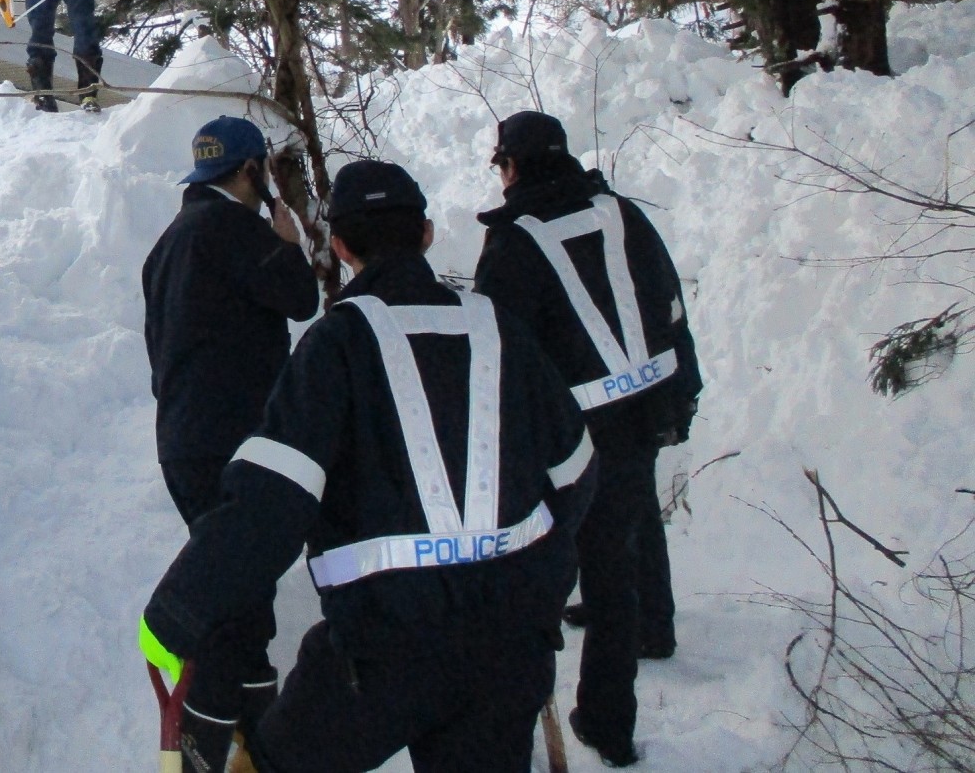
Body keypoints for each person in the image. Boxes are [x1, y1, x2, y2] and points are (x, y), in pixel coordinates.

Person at [139, 158, 597, 773]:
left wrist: (177, 611)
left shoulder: (336, 345)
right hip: (510, 647)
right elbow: (575, 474)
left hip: (380, 653)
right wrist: (532, 582)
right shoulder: (500, 329)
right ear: (427, 234)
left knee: (276, 760)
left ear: (344, 246)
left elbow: (271, 501)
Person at [473, 111, 703, 769]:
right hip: (645, 407)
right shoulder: (621, 212)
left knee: (587, 563)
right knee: (627, 524)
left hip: (574, 432)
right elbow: (668, 300)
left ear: (512, 167)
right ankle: (646, 642)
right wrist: (680, 388)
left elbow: (501, 353)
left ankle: (592, 720)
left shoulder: (515, 242)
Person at [142, 116, 320, 766]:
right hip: (235, 442)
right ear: (250, 172)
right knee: (233, 595)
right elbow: (301, 300)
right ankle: (202, 742)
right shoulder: (239, 229)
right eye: (263, 173)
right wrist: (288, 243)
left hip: (182, 441)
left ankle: (257, 732)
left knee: (245, 590)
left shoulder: (168, 242)